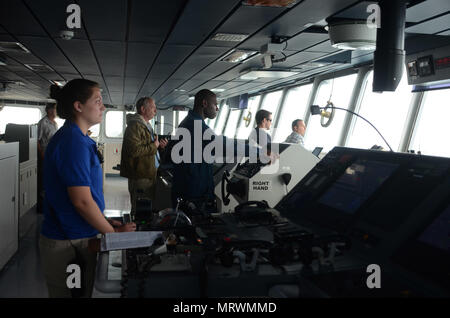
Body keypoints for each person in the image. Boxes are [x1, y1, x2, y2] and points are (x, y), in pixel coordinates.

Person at [39, 79, 136, 298]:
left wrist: (103, 221)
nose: (103, 107)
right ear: (78, 106)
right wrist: (112, 234)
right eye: (98, 101)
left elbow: (87, 196)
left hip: (79, 235)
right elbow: (81, 202)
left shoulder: (78, 139)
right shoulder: (72, 142)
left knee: (82, 292)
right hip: (67, 243)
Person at [171, 89, 275, 210]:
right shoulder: (196, 125)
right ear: (204, 103)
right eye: (215, 104)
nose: (217, 108)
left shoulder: (189, 122)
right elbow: (223, 145)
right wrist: (260, 152)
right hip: (193, 194)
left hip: (189, 189)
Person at [120, 97, 168, 215]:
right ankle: (136, 232)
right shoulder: (134, 126)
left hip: (148, 174)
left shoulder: (146, 125)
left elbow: (150, 148)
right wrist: (154, 146)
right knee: (140, 209)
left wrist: (159, 147)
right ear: (143, 109)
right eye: (152, 108)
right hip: (140, 176)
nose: (155, 111)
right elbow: (134, 151)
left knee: (146, 208)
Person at [37, 100, 58, 214]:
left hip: (52, 155)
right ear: (50, 110)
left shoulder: (54, 123)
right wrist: (42, 155)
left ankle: (48, 204)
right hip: (45, 154)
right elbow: (37, 141)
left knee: (50, 179)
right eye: (55, 109)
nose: (56, 111)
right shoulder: (43, 123)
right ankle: (41, 206)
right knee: (43, 180)